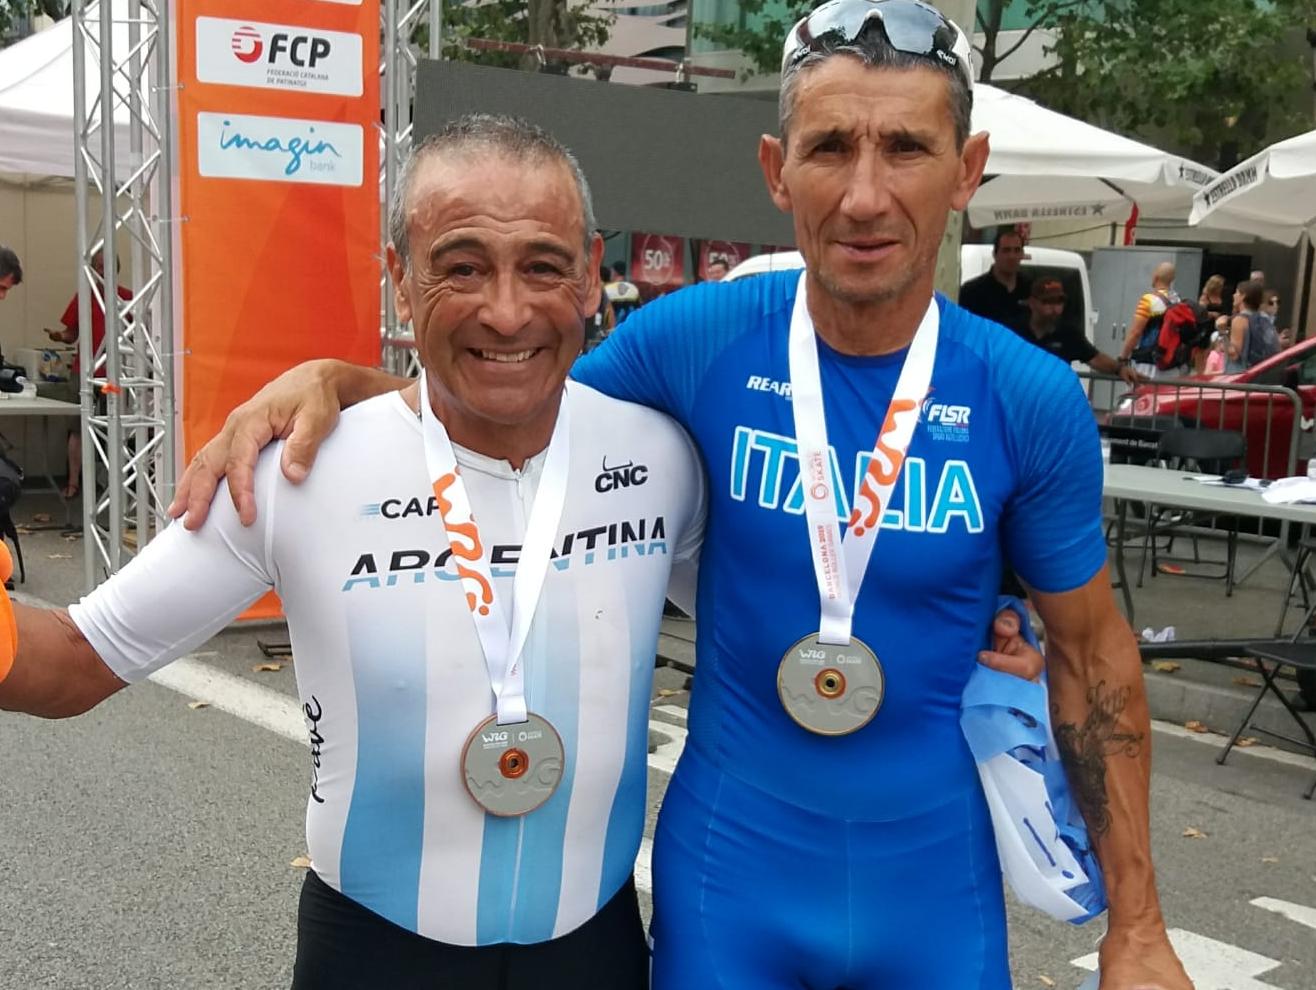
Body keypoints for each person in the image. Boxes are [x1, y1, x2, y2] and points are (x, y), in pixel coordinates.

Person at [170, 3, 1192, 988]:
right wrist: (340, 382)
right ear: (776, 169)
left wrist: (1139, 928)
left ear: (966, 170)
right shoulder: (695, 339)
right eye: (830, 147)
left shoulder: (1027, 397)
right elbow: (506, 401)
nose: (865, 195)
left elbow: (1091, 653)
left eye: (906, 149)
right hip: (731, 883)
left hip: (934, 888)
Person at [0, 113, 1040, 989]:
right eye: (462, 267)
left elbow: (793, 603)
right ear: (399, 279)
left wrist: (982, 636)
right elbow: (74, 662)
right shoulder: (293, 469)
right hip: (372, 954)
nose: (506, 310)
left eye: (542, 266)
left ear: (590, 277)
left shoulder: (660, 455)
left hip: (593, 955)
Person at [45, 249, 133, 499]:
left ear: (117, 268)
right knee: (78, 427)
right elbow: (71, 334)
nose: (103, 270)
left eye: (108, 265)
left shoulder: (128, 298)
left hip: (115, 375)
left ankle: (116, 484)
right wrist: (59, 336)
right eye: (99, 265)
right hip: (84, 373)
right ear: (93, 269)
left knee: (116, 427)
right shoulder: (83, 298)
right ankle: (73, 483)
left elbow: (139, 335)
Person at [1014, 277, 1139, 385]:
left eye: (1059, 302)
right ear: (1032, 303)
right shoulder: (1014, 331)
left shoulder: (1068, 333)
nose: (1054, 308)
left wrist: (1120, 369)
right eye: (1048, 302)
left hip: (1052, 398)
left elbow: (1095, 358)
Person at [958, 227, 1029, 329]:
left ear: (1022, 254)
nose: (1012, 256)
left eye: (1017, 250)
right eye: (1006, 250)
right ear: (995, 254)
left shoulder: (1029, 289)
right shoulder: (972, 291)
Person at [1119, 261, 1180, 379]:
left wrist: (1123, 358)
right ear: (1172, 279)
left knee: (1142, 391)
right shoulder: (1178, 300)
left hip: (1147, 364)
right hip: (1171, 365)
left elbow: (1135, 333)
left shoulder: (1148, 300)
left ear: (1155, 277)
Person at [1227, 279, 1274, 372]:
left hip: (1242, 373)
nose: (1234, 295)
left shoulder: (1239, 320)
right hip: (1262, 371)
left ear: (1243, 296)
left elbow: (1234, 354)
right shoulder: (1265, 318)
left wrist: (1222, 332)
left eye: (1237, 292)